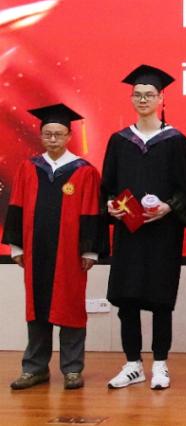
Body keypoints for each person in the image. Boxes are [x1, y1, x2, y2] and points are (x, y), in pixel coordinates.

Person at [103, 64, 186, 390]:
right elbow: (108, 186)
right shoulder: (119, 141)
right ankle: (133, 364)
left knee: (160, 299)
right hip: (129, 232)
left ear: (161, 98)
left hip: (162, 233)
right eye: (137, 95)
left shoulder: (176, 142)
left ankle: (160, 363)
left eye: (149, 94)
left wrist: (169, 207)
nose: (143, 99)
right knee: (127, 298)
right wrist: (111, 205)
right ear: (131, 99)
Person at [4, 104, 106, 391]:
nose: (52, 139)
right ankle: (34, 368)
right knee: (37, 309)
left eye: (58, 134)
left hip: (70, 253)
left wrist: (89, 250)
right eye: (47, 134)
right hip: (35, 252)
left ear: (69, 136)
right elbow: (16, 206)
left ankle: (72, 369)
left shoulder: (84, 171)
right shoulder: (29, 168)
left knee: (70, 307)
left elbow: (92, 212)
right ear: (41, 135)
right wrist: (16, 246)